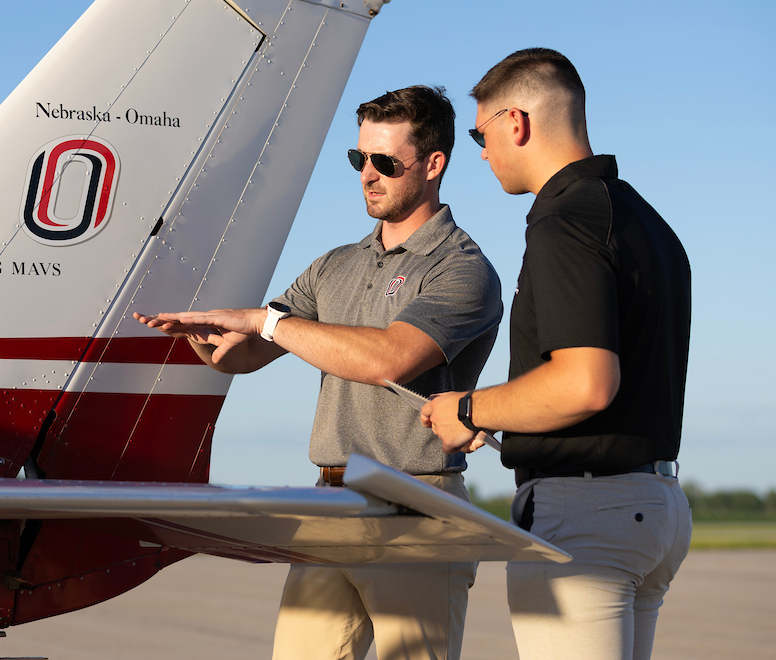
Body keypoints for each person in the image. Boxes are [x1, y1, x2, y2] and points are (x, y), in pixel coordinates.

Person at [135, 84, 503, 660]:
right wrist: (201, 337)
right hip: (329, 503)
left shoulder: (463, 268)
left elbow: (389, 358)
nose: (367, 174)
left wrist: (263, 320)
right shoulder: (335, 265)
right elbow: (248, 355)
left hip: (418, 506)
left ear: (434, 165)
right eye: (360, 158)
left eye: (385, 161)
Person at [419, 49, 692, 660]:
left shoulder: (563, 220)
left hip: (586, 516)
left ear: (515, 122)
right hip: (658, 505)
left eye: (480, 133)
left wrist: (468, 410)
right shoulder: (646, 221)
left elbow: (585, 383)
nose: (482, 153)